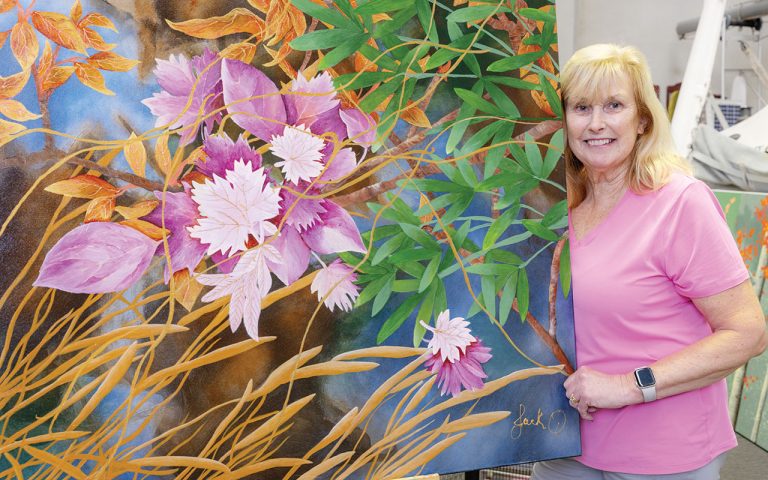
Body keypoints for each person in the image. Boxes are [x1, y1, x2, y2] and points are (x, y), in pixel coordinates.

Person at [531, 44, 768, 479]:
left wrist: (627, 386)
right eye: (581, 107)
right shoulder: (558, 208)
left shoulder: (680, 203)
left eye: (614, 105)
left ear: (642, 119)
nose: (596, 123)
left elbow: (747, 333)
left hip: (664, 455)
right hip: (566, 441)